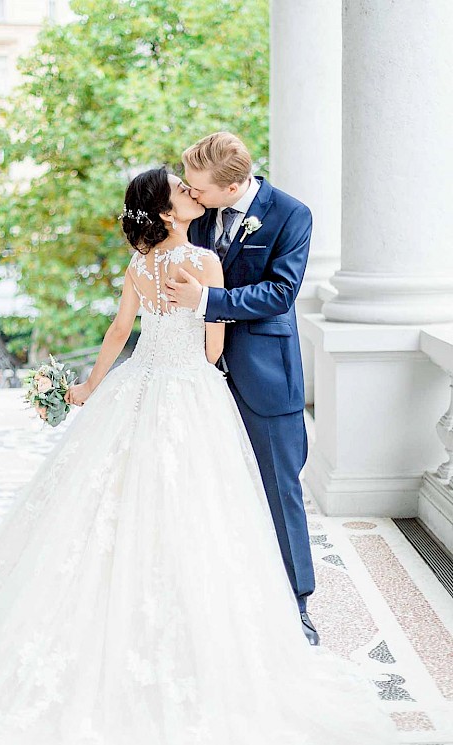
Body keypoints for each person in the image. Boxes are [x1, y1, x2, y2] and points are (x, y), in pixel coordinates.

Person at [0, 167, 393, 743]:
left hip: (138, 383)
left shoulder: (139, 266)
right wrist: (205, 359)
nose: (191, 193)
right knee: (206, 508)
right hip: (193, 387)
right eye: (181, 190)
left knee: (113, 502)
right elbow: (213, 341)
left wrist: (89, 387)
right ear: (166, 212)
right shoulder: (204, 261)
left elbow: (120, 330)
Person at [166, 131, 318, 644]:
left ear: (232, 188)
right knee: (202, 488)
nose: (191, 194)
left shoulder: (291, 215)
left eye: (200, 189)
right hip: (194, 372)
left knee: (280, 488)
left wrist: (206, 300)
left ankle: (296, 605)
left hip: (264, 373)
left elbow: (281, 292)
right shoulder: (197, 209)